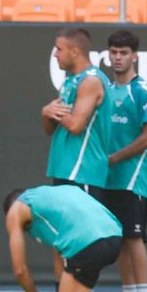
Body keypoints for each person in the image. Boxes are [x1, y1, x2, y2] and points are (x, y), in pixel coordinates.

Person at [2, 185, 147, 292]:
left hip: (86, 245)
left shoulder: (16, 210)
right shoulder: (50, 197)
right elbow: (60, 255)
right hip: (113, 238)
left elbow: (20, 270)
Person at [101, 29, 147, 292]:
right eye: (113, 52)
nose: (117, 58)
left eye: (123, 53)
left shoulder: (141, 90)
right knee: (120, 240)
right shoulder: (107, 89)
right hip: (108, 179)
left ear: (135, 56)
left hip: (132, 178)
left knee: (134, 237)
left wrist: (115, 158)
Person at [42, 26, 110, 192]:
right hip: (64, 169)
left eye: (59, 49)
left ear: (75, 52)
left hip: (83, 171)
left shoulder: (91, 81)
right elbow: (50, 129)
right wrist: (46, 114)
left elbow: (75, 126)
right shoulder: (69, 82)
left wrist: (50, 111)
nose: (55, 54)